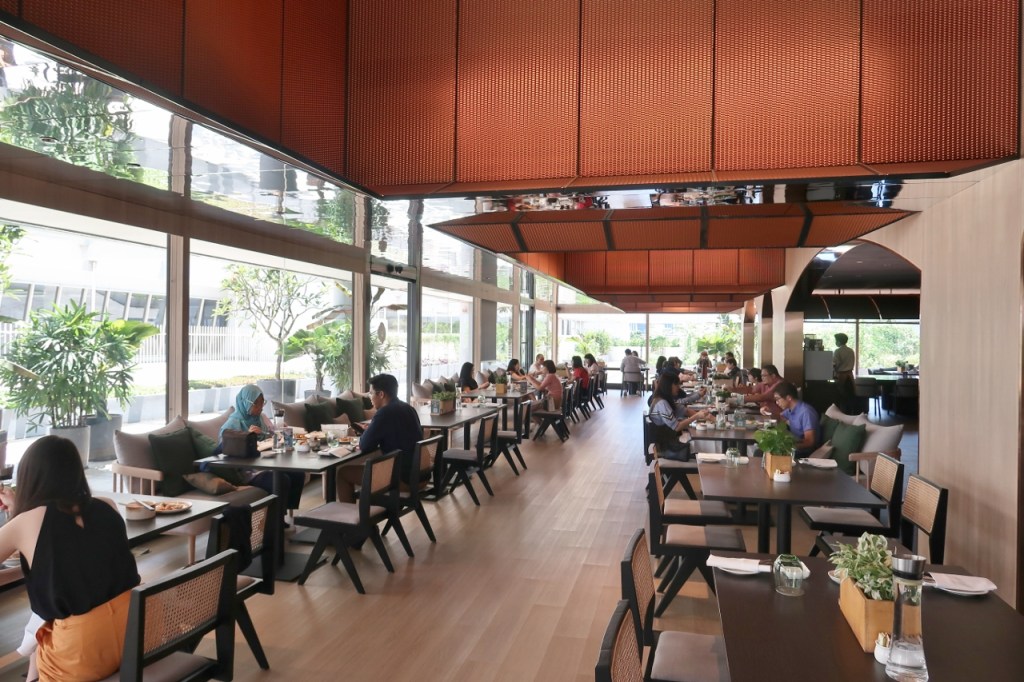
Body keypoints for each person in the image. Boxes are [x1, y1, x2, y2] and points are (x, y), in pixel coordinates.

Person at [0, 436, 140, 681]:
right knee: (41, 630)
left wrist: (16, 515)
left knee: (42, 630)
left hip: (83, 654)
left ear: (29, 477)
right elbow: (73, 562)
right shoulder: (108, 506)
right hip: (135, 632)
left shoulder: (26, 522)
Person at [337, 374, 422, 503]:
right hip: (420, 474)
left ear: (381, 394)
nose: (370, 398)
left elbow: (364, 445)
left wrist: (368, 431)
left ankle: (351, 522)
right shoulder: (408, 408)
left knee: (343, 473)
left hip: (402, 479)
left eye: (371, 394)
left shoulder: (385, 413)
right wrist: (373, 429)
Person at [219, 385, 305, 512]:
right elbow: (224, 451)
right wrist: (246, 437)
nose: (260, 407)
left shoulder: (259, 419)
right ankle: (276, 523)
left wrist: (275, 431)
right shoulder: (231, 425)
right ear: (245, 403)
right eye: (256, 404)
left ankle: (281, 515)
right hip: (246, 472)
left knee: (298, 474)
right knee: (281, 480)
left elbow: (269, 438)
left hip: (266, 464)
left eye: (262, 403)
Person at [648, 372, 708, 460]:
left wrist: (705, 415)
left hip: (670, 443)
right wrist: (696, 416)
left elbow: (685, 410)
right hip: (668, 449)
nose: (678, 388)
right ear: (668, 386)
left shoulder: (664, 400)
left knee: (699, 445)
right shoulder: (662, 403)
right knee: (701, 451)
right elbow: (676, 427)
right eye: (676, 385)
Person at [773, 381, 820, 457]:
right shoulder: (790, 409)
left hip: (804, 452)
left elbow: (810, 442)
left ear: (789, 398)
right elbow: (779, 416)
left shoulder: (806, 412)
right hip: (794, 445)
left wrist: (787, 446)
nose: (777, 402)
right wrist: (768, 411)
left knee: (760, 453)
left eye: (778, 399)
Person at [833, 333, 856, 412]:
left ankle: (842, 415)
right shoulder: (851, 350)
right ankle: (850, 415)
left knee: (841, 397)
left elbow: (835, 364)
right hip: (850, 376)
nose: (835, 342)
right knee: (850, 397)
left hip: (841, 376)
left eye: (836, 340)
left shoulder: (837, 351)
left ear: (839, 341)